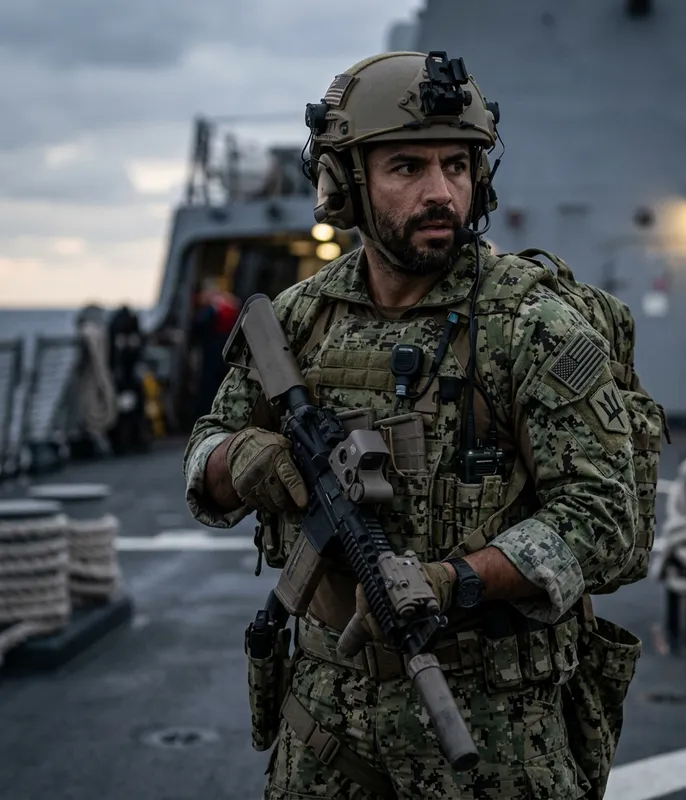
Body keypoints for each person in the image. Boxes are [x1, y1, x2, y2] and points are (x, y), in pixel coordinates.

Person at [183, 51, 640, 799]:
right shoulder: (299, 320)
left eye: (457, 167)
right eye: (407, 168)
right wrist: (245, 457)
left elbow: (607, 520)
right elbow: (201, 457)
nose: (441, 192)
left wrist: (453, 581)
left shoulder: (533, 325)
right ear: (345, 182)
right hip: (325, 722)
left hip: (493, 728)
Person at [190, 277, 241, 420]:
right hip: (228, 351)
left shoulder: (213, 307)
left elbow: (199, 326)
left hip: (213, 352)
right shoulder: (232, 302)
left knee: (207, 387)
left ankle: (203, 416)